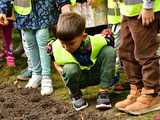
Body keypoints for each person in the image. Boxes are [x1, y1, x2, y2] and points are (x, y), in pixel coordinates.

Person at [0, 0, 71, 95]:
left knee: (43, 42)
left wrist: (63, 3)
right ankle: (36, 74)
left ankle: (46, 77)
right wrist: (2, 10)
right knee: (30, 43)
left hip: (42, 10)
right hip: (23, 13)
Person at [48, 12, 116, 111]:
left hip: (96, 74)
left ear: (83, 36)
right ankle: (75, 95)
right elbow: (55, 61)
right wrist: (63, 73)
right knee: (69, 68)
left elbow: (109, 40)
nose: (66, 48)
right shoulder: (55, 47)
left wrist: (108, 34)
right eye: (63, 44)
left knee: (109, 51)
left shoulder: (95, 41)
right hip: (77, 79)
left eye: (71, 43)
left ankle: (103, 92)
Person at [115, 0, 160, 115]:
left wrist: (148, 6)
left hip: (144, 10)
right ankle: (137, 89)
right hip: (128, 11)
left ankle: (152, 93)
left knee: (145, 53)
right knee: (126, 51)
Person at [0, 0, 15, 67]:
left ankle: (9, 56)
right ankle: (3, 52)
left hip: (6, 12)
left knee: (7, 36)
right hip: (5, 9)